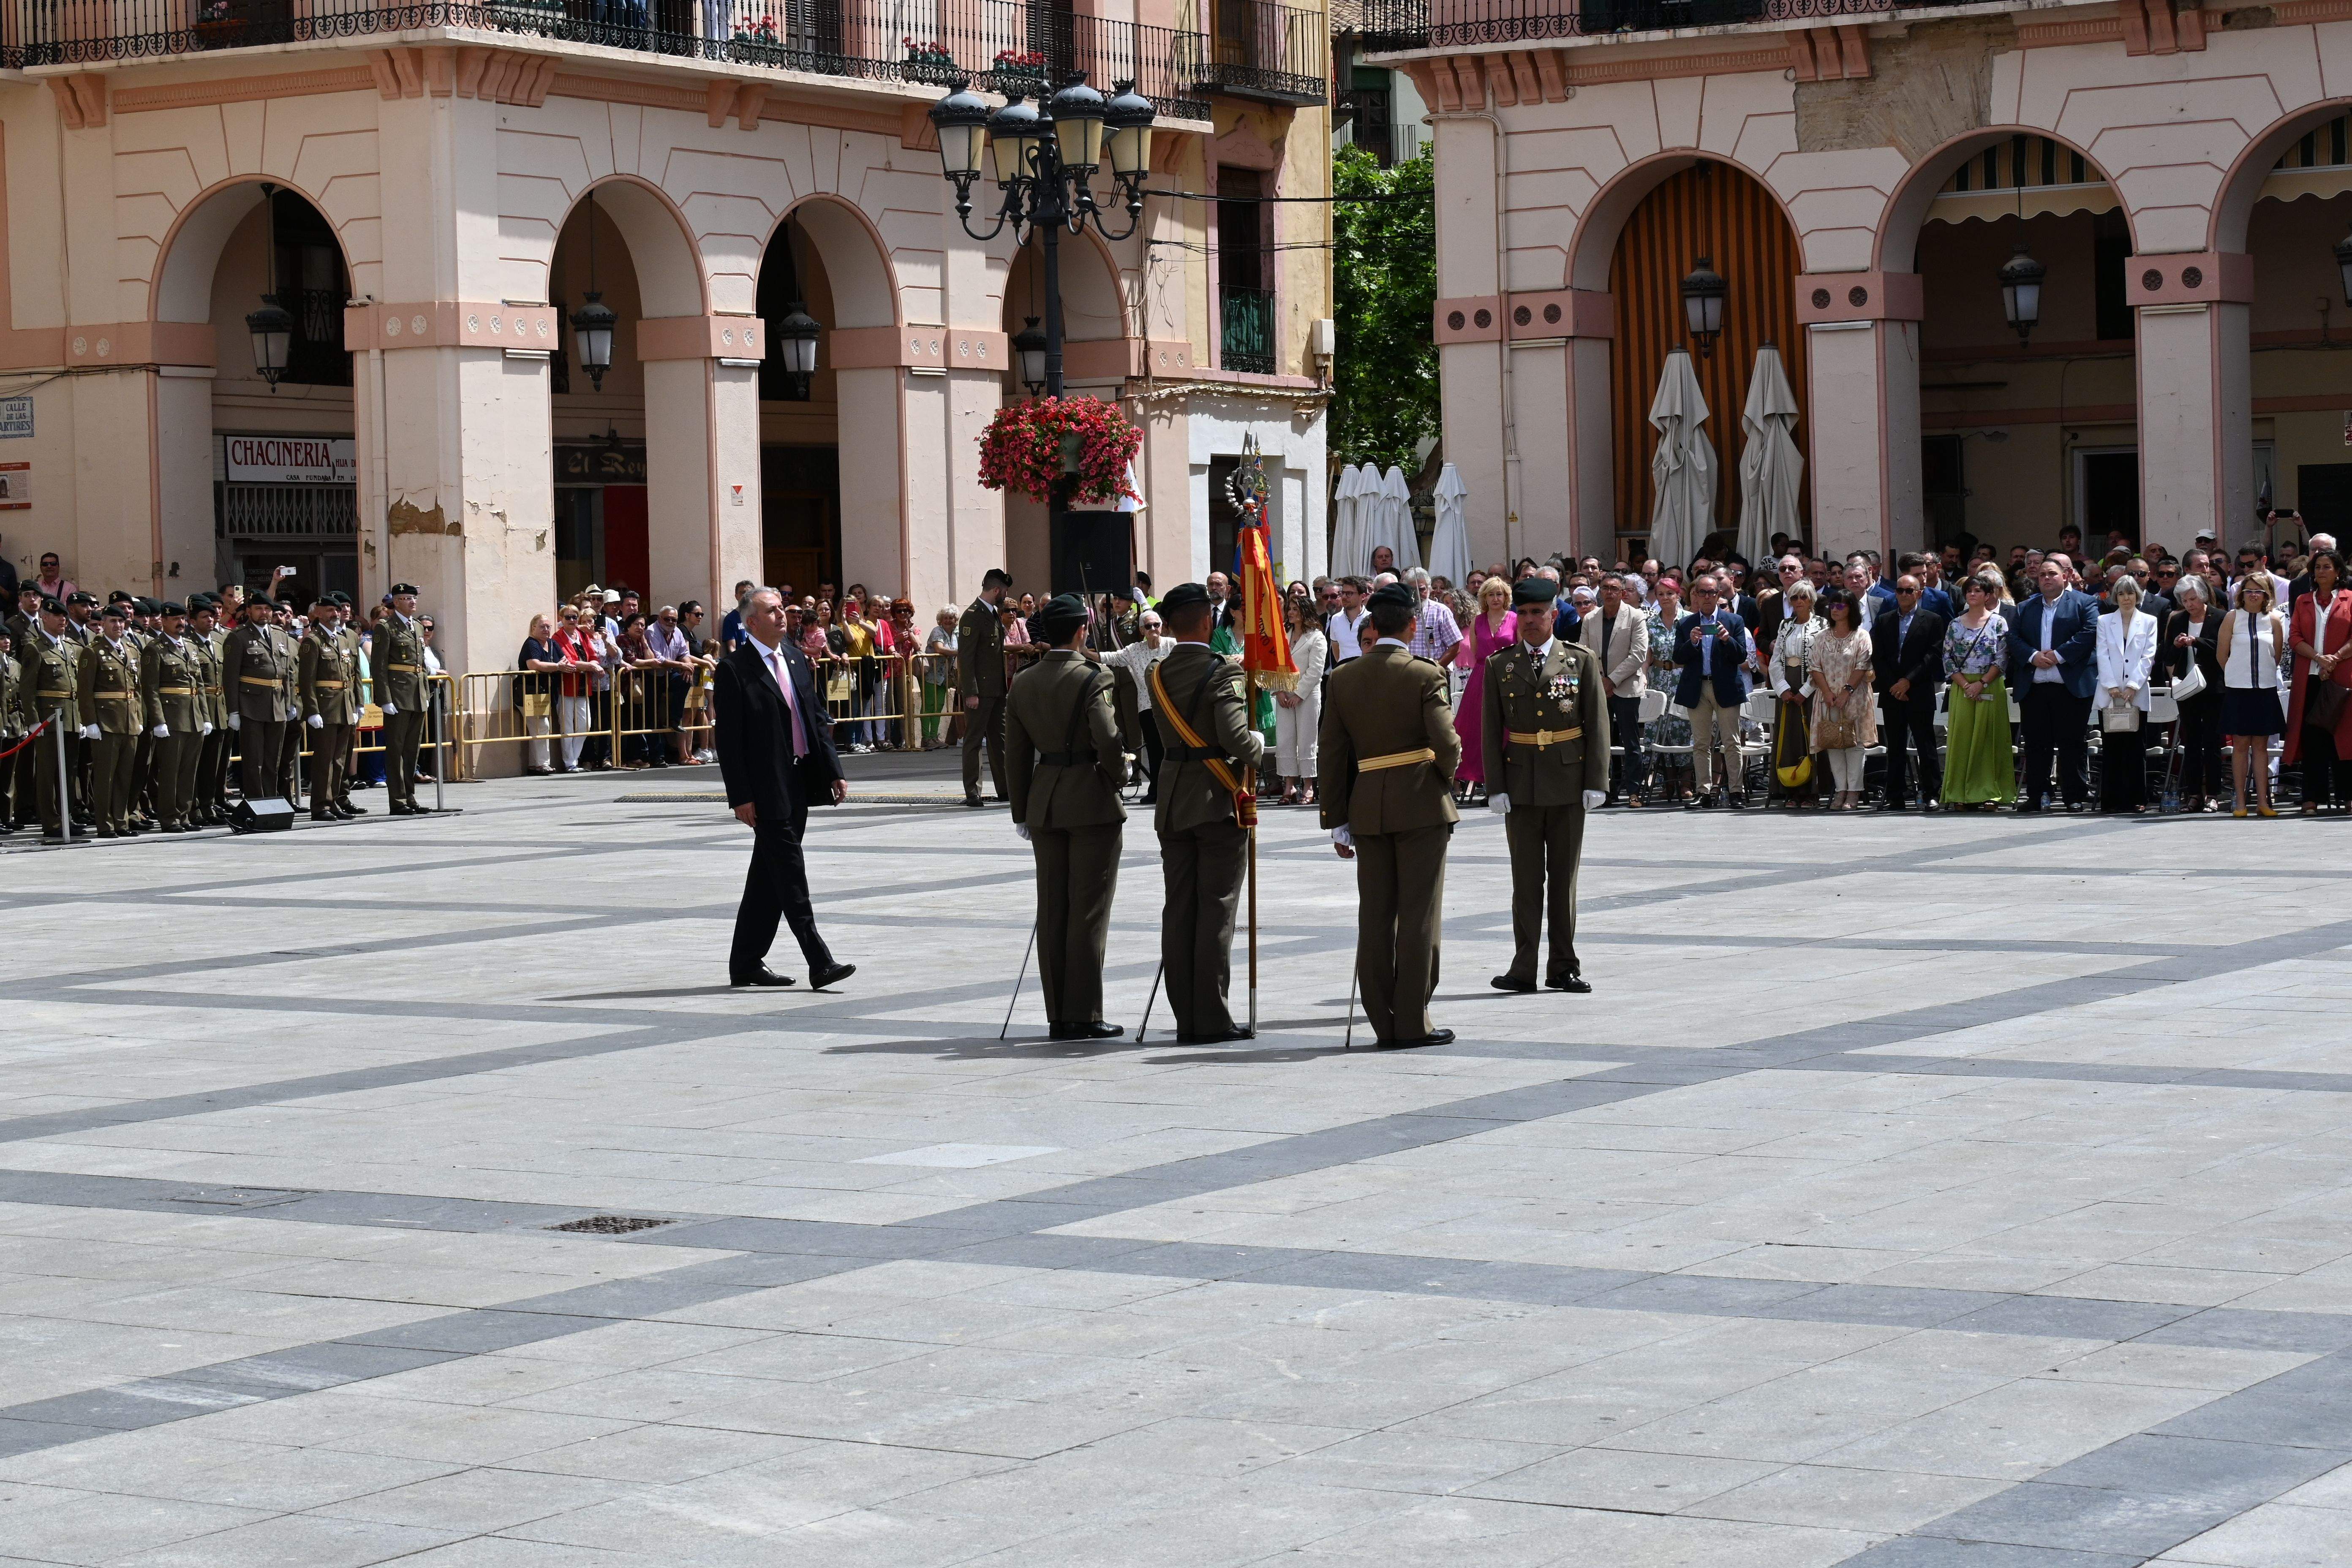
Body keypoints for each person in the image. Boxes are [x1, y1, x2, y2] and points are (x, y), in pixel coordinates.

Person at [1319, 581, 1462, 1048]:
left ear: (1372, 626)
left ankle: (1382, 1019)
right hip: (1421, 802)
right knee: (1419, 914)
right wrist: (1442, 778)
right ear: (1414, 625)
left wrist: (1337, 819)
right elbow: (1448, 744)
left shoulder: (1342, 678)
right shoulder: (1424, 674)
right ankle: (1412, 1020)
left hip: (1366, 808)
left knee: (1376, 915)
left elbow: (1332, 756)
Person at [715, 587, 853, 990]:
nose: (782, 616)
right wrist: (740, 796)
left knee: (768, 876)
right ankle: (819, 960)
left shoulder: (794, 657)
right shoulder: (735, 669)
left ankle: (745, 962)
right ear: (752, 622)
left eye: (782, 610)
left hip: (799, 782)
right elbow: (729, 742)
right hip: (765, 788)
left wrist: (833, 769)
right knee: (790, 874)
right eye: (772, 611)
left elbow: (814, 718)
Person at [1004, 594, 1128, 1041]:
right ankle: (1085, 1012)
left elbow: (1014, 753)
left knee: (1053, 908)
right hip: (1089, 799)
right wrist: (1119, 775)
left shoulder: (1025, 681)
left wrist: (1021, 808)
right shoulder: (1092, 676)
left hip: (1045, 801)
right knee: (1088, 911)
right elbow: (1108, 737)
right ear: (1080, 631)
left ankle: (1059, 1013)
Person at [1149, 582, 1264, 1045]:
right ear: (1204, 622)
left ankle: (1186, 1016)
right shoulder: (1221, 673)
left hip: (1174, 798)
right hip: (1217, 799)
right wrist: (1260, 747)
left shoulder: (1157, 673)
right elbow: (1238, 740)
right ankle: (1211, 1015)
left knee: (1179, 910)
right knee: (1216, 909)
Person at [1482, 576, 1608, 995]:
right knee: (1526, 880)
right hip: (1520, 784)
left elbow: (1597, 725)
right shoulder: (1501, 665)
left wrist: (1597, 780)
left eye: (1540, 613)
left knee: (1564, 879)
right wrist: (1495, 786)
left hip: (1569, 782)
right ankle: (1524, 967)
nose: (1532, 620)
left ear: (1554, 615)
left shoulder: (1581, 660)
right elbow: (1489, 730)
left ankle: (1563, 966)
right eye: (1526, 614)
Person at [2009, 556, 2099, 812]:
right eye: (2042, 576)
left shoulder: (2085, 603)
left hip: (2069, 686)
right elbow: (2013, 638)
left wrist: (2059, 655)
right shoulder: (2026, 607)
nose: (2046, 578)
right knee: (2037, 745)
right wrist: (2033, 656)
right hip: (2035, 687)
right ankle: (2037, 795)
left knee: (2072, 744)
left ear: (2066, 576)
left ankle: (2073, 796)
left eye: (2052, 574)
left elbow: (2090, 632)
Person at [2284, 548, 2352, 814]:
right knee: (2313, 739)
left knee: (2345, 738)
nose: (2321, 571)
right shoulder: (2302, 600)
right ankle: (2312, 797)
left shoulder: (2349, 599)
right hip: (2310, 678)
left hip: (2342, 679)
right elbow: (2295, 637)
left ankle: (2348, 795)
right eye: (2318, 567)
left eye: (2327, 567)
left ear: (2338, 572)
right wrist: (2318, 658)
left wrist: (2334, 659)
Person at [1674, 574, 1751, 810]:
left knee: (1731, 741)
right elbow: (1678, 657)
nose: (1707, 597)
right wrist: (1693, 643)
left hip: (1725, 687)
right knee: (1701, 743)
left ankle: (1736, 791)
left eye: (1712, 593)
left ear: (1719, 595)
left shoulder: (1734, 621)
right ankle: (1703, 792)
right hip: (1698, 688)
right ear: (1694, 595)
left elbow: (1742, 657)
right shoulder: (1686, 624)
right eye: (1702, 593)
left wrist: (1728, 640)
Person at [1872, 574, 1947, 811]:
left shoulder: (1933, 620)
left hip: (1919, 689)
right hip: (1892, 691)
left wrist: (1908, 682)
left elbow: (1933, 655)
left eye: (1909, 591)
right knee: (1895, 745)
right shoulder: (1884, 620)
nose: (1904, 595)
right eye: (1900, 590)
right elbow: (1878, 656)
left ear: (1919, 593)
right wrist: (1895, 685)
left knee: (1925, 745)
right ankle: (1895, 795)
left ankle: (1931, 793)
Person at [1941, 574, 2015, 811]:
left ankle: (1990, 793)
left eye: (1978, 591)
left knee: (1989, 739)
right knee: (1961, 739)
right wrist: (1965, 685)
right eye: (1969, 591)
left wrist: (1981, 684)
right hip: (1962, 687)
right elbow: (1947, 658)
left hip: (1990, 684)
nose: (1973, 595)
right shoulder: (1955, 624)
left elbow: (2002, 657)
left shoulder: (1998, 622)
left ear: (1988, 595)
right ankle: (1960, 793)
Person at [1577, 573, 1648, 806]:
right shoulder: (1590, 619)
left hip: (1626, 688)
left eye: (1615, 589)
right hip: (1598, 687)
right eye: (1606, 588)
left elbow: (1638, 655)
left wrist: (1612, 680)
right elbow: (1584, 653)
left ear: (1623, 593)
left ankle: (1634, 791)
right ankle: (1606, 790)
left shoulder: (1636, 616)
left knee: (1631, 742)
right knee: (1601, 741)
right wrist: (1601, 681)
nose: (1609, 592)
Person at [2219, 576, 2287, 817]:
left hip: (2265, 690)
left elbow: (2276, 656)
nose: (2254, 595)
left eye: (2259, 591)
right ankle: (2240, 801)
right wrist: (2239, 675)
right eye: (2249, 591)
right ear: (2242, 594)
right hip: (2238, 690)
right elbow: (2221, 655)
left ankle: (2263, 801)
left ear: (2267, 594)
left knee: (2261, 747)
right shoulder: (2232, 618)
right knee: (2240, 745)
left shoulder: (2275, 620)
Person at [223, 592, 296, 814]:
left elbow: (287, 673)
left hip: (277, 703)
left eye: (268, 609)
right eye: (259, 609)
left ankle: (272, 802)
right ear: (249, 611)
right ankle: (258, 804)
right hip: (251, 704)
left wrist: (290, 702)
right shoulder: (239, 636)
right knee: (254, 760)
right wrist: (234, 711)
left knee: (273, 759)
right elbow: (230, 676)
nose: (264, 613)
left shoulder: (280, 634)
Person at [137, 601, 207, 833]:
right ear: (164, 621)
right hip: (172, 717)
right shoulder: (154, 649)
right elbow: (151, 689)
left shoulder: (190, 647)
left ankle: (184, 815)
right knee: (170, 771)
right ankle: (169, 817)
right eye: (175, 620)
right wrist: (158, 721)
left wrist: (205, 716)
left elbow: (199, 685)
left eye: (183, 619)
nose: (181, 624)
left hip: (193, 715)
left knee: (189, 770)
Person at [2094, 573, 2159, 814]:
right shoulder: (2104, 621)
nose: (2126, 598)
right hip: (2110, 694)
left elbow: (2148, 656)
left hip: (2137, 692)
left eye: (2130, 593)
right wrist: (2111, 685)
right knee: (2112, 747)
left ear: (2138, 595)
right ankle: (2111, 800)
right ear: (2115, 597)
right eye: (2121, 594)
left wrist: (2133, 685)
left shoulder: (2149, 621)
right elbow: (2102, 654)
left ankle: (2137, 798)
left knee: (2135, 747)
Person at [1808, 588, 1876, 811]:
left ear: (1851, 609)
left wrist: (1846, 692)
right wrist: (1828, 693)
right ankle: (1840, 791)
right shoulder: (1821, 637)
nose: (1835, 610)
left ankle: (1854, 792)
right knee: (1833, 744)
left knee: (1854, 745)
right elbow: (1815, 666)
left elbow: (1863, 665)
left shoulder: (1861, 635)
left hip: (1855, 697)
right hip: (1828, 698)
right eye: (1833, 606)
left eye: (1841, 606)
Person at [77, 604, 142, 836]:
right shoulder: (93, 651)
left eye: (121, 622)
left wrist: (139, 717)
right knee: (106, 776)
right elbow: (85, 690)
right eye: (113, 621)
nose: (118, 626)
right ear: (102, 624)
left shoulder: (131, 650)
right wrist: (90, 722)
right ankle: (105, 824)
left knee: (125, 775)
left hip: (129, 720)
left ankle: (121, 821)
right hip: (106, 722)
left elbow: (137, 688)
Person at [1453, 574, 1516, 805]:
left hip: (1509, 677)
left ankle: (1506, 782)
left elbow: (1519, 649)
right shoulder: (1477, 621)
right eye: (1491, 594)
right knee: (1479, 730)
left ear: (1506, 597)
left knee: (1507, 731)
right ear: (1484, 598)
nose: (1496, 598)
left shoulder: (1514, 619)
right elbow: (1477, 654)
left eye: (1499, 594)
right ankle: (1488, 782)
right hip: (1482, 677)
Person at [2165, 574, 2224, 813]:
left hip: (2214, 688)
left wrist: (2196, 641)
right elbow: (2166, 657)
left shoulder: (2221, 617)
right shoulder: (2178, 620)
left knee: (2212, 742)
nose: (2189, 604)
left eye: (2193, 598)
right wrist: (2178, 646)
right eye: (2184, 600)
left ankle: (2213, 794)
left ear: (2203, 595)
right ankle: (2193, 795)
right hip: (2187, 688)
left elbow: (2222, 647)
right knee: (2190, 743)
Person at [370, 583, 430, 813]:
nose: (412, 602)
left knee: (411, 750)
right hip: (397, 695)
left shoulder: (416, 626)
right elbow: (380, 666)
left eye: (414, 598)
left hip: (416, 694)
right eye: (407, 598)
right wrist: (385, 699)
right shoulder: (386, 628)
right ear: (396, 602)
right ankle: (398, 800)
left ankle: (410, 797)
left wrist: (424, 691)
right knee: (396, 750)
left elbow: (421, 664)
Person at [1765, 578, 1823, 809]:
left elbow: (1821, 662)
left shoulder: (1822, 624)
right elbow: (1776, 659)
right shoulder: (1784, 625)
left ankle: (1810, 792)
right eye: (1794, 597)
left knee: (1810, 739)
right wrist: (1783, 689)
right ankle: (1790, 790)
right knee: (1787, 738)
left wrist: (1806, 691)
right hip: (1787, 689)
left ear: (1812, 600)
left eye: (1804, 597)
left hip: (1812, 686)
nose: (1799, 601)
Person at [958, 568, 1012, 807]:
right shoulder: (972, 615)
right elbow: (966, 658)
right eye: (1005, 591)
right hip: (980, 693)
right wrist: (970, 692)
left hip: (997, 692)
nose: (1006, 596)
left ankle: (1005, 789)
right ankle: (973, 791)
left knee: (1000, 741)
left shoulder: (992, 613)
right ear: (997, 590)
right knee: (974, 741)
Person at [1272, 597, 1323, 805]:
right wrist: (1279, 691)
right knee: (1285, 740)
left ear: (1305, 612)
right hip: (1284, 696)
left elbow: (1316, 670)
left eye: (1295, 609)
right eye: (1290, 609)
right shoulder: (1283, 635)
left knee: (1307, 740)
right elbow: (1274, 663)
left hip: (1307, 696)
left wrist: (1299, 694)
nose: (1290, 612)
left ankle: (1309, 786)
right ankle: (1289, 786)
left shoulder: (1317, 637)